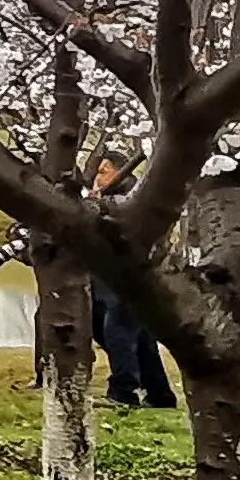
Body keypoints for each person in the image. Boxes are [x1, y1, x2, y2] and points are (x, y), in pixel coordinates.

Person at [82, 157, 176, 407]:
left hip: (128, 276)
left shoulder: (129, 198)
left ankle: (123, 391)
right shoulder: (105, 198)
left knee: (118, 331)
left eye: (104, 171)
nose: (97, 177)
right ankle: (159, 393)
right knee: (138, 336)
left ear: (120, 171)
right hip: (108, 276)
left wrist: (94, 204)